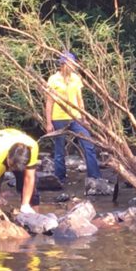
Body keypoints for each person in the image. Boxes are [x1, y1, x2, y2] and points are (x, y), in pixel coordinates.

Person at [44, 51, 101, 182]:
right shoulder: (53, 79)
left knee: (88, 144)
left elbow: (80, 99)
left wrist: (84, 118)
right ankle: (60, 178)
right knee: (59, 149)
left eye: (74, 64)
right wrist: (49, 123)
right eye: (71, 63)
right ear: (63, 64)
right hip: (58, 118)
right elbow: (49, 102)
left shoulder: (76, 78)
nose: (73, 66)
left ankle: (94, 176)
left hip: (76, 117)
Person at [0, 128, 39, 233]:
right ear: (8, 157)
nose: (11, 170)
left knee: (33, 192)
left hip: (14, 142)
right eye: (11, 166)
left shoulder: (33, 148)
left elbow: (29, 178)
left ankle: (36, 226)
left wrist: (25, 204)